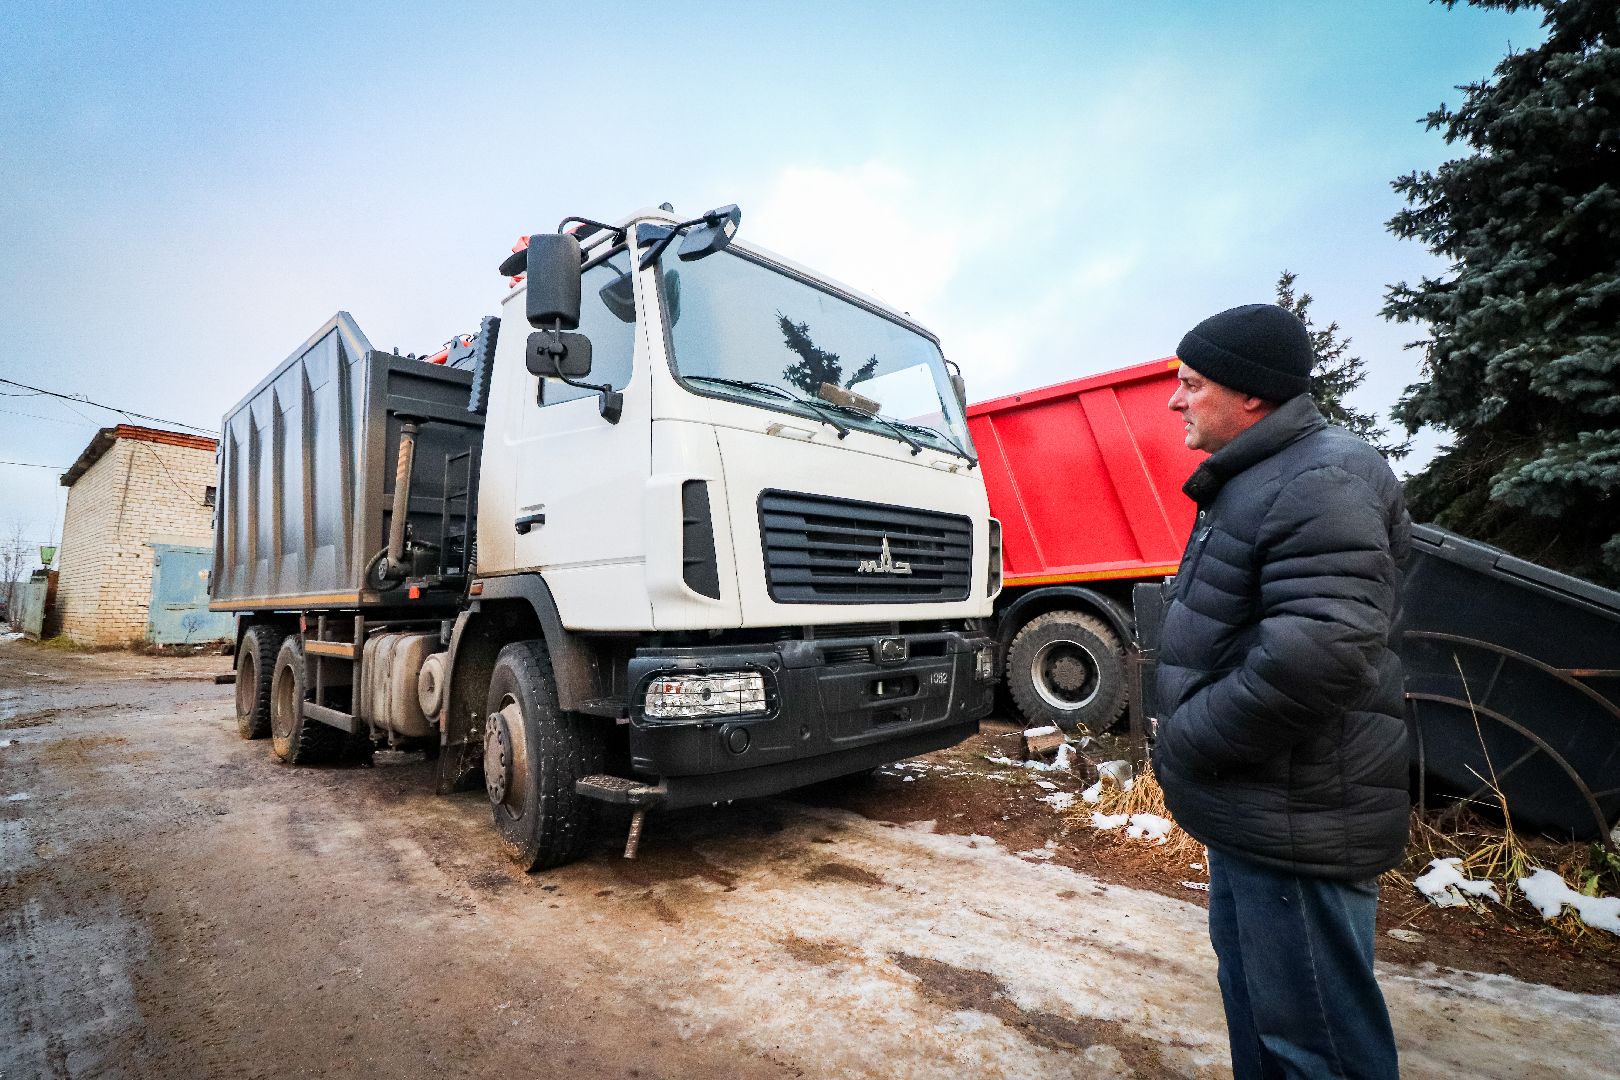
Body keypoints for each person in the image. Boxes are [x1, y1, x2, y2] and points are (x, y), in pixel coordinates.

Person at [1153, 303, 1411, 1080]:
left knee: (1314, 1045)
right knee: (1264, 1020)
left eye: (1192, 383)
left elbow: (1321, 654)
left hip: (1297, 815)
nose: (1175, 400)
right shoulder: (1263, 474)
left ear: (1251, 394)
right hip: (1258, 805)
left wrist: (1189, 736)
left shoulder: (1321, 476)